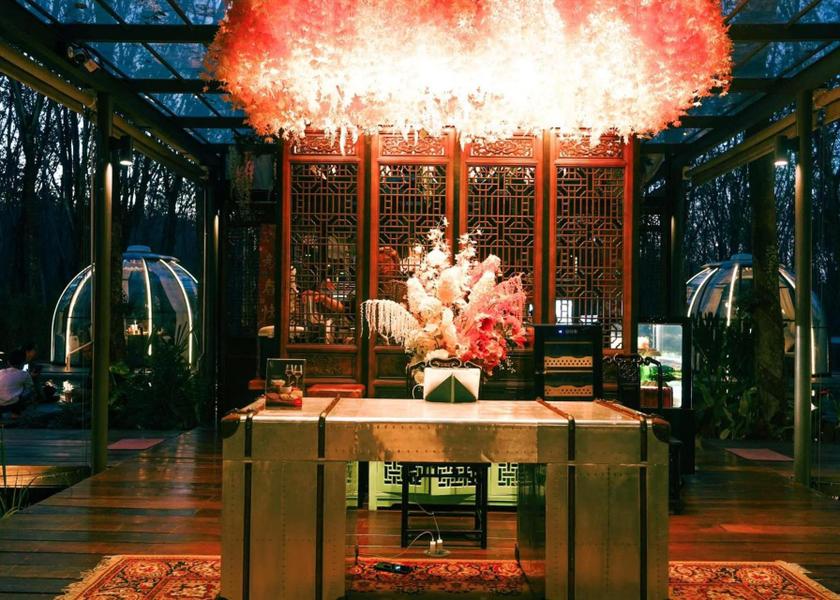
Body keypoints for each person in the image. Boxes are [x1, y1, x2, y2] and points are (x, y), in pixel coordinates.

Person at [0, 349, 34, 417]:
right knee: (30, 392)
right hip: (13, 404)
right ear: (23, 363)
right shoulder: (25, 374)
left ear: (8, 362)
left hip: (0, 404)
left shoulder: (1, 372)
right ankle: (16, 413)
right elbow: (29, 388)